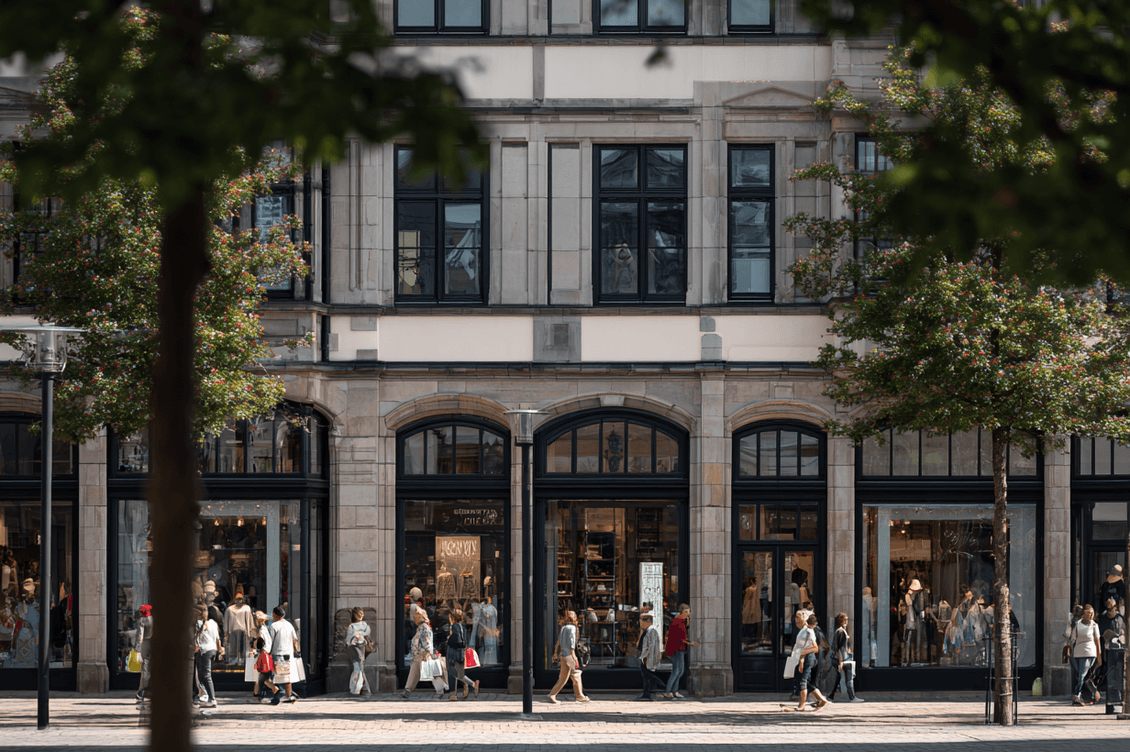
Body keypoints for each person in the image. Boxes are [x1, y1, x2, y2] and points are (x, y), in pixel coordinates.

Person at [401, 607, 446, 699]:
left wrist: (428, 652)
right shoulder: (421, 627)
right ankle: (408, 690)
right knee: (415, 672)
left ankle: (440, 689)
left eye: (416, 617)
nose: (415, 618)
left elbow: (427, 640)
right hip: (418, 655)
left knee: (431, 672)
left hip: (423, 654)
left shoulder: (424, 627)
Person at [548, 610, 589, 703]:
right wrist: (574, 656)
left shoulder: (563, 628)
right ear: (574, 618)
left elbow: (559, 642)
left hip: (563, 654)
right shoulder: (572, 628)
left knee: (563, 678)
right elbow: (572, 643)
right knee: (576, 674)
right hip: (569, 655)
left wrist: (557, 653)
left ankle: (553, 694)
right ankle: (579, 696)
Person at [263, 605, 300, 705]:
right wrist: (296, 650)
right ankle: (289, 695)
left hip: (277, 653)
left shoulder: (273, 626)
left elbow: (269, 642)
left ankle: (277, 696)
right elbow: (295, 640)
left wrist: (267, 652)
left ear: (275, 615)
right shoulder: (289, 625)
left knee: (275, 676)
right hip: (288, 653)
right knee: (287, 676)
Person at [1067, 604, 1103, 705]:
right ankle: (1094, 691)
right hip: (1078, 651)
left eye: (1092, 614)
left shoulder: (1094, 625)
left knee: (1082, 674)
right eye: (1088, 613)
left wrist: (1099, 654)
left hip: (1089, 651)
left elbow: (1097, 640)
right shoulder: (1078, 624)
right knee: (1083, 675)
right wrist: (1069, 649)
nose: (1090, 616)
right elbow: (1073, 638)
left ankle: (1076, 695)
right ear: (1084, 614)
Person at [795, 614, 831, 712]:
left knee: (803, 680)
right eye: (796, 618)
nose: (797, 620)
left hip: (808, 658)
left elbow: (815, 647)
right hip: (805, 658)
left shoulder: (808, 631)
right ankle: (821, 700)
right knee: (804, 680)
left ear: (805, 620)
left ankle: (802, 705)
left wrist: (802, 656)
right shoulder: (805, 630)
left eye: (799, 618)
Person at [662, 603, 697, 700]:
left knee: (680, 671)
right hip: (676, 649)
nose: (688, 613)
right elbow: (680, 638)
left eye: (689, 611)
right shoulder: (677, 621)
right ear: (681, 611)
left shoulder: (682, 621)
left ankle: (675, 691)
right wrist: (691, 644)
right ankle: (668, 692)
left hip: (680, 648)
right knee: (676, 671)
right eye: (686, 611)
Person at [1098, 596, 1126, 710]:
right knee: (1110, 675)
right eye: (1108, 608)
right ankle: (1110, 703)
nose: (1110, 611)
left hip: (1119, 648)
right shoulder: (1103, 617)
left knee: (1119, 675)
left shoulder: (1120, 617)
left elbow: (1123, 629)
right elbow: (1100, 632)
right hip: (1108, 649)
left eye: (1112, 608)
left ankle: (1119, 698)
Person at [445, 608, 478, 700]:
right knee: (460, 674)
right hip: (461, 652)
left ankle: (453, 694)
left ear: (452, 618)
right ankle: (472, 684)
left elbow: (454, 639)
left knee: (451, 672)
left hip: (452, 651)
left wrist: (448, 639)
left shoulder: (453, 627)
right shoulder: (463, 627)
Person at [831, 612, 864, 703]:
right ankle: (852, 697)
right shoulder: (841, 632)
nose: (847, 621)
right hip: (844, 659)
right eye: (845, 619)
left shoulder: (840, 631)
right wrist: (840, 661)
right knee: (849, 678)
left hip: (843, 658)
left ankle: (831, 695)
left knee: (839, 677)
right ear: (842, 621)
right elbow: (840, 648)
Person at [193, 605, 222, 708]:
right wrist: (220, 649)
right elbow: (217, 639)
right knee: (203, 675)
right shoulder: (214, 623)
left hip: (204, 650)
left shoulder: (201, 623)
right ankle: (205, 696)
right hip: (212, 650)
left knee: (205, 675)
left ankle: (211, 698)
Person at [635, 612, 664, 701]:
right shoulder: (646, 630)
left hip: (646, 657)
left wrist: (646, 657)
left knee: (647, 675)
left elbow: (652, 646)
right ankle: (646, 693)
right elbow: (639, 644)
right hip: (644, 656)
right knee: (646, 676)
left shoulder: (652, 631)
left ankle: (661, 685)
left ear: (647, 622)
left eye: (642, 622)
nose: (641, 624)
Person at [345, 607, 371, 696]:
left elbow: (368, 631)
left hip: (362, 647)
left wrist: (359, 634)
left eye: (362, 613)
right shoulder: (351, 626)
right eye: (358, 614)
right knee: (358, 667)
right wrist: (356, 637)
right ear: (354, 615)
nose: (361, 615)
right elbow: (348, 640)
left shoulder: (364, 624)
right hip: (354, 648)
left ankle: (357, 688)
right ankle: (359, 688)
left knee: (359, 667)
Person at [134, 604, 153, 704]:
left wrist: (137, 650)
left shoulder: (142, 621)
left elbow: (140, 635)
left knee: (145, 670)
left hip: (145, 645)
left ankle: (140, 693)